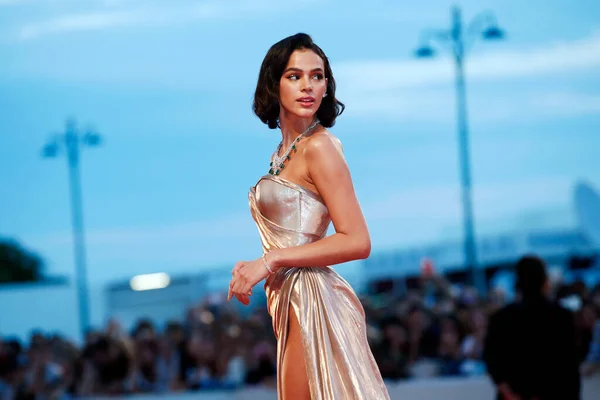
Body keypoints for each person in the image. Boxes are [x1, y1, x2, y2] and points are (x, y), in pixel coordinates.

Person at [227, 33, 390, 400]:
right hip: (287, 296)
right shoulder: (285, 152)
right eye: (295, 76)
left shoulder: (320, 147)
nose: (308, 86)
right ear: (274, 84)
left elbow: (357, 239)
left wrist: (269, 261)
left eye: (317, 76)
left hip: (311, 298)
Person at [483, 255, 581, 400]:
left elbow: (491, 359)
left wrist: (508, 392)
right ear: (544, 280)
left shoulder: (502, 318)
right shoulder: (561, 316)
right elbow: (570, 365)